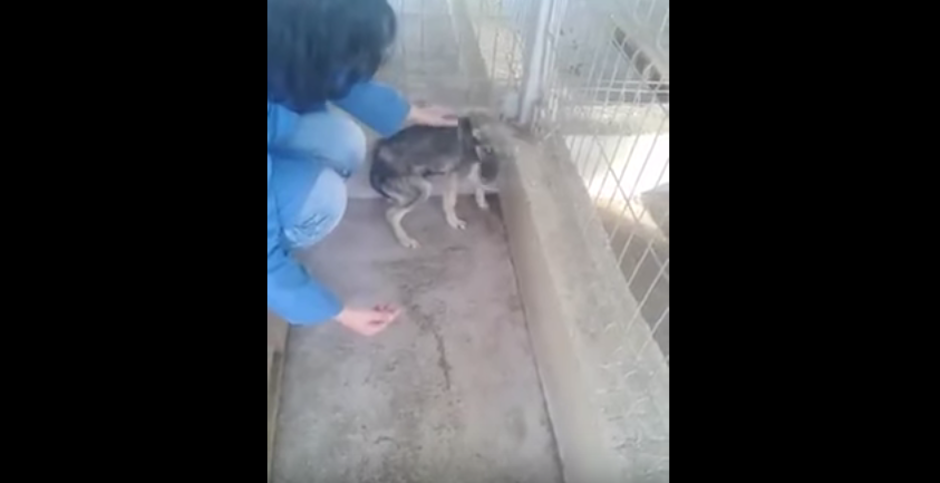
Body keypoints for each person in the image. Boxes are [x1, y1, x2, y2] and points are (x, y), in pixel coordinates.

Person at [267, 0, 456, 335]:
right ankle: (281, 259)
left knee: (345, 142)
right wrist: (335, 311)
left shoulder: (288, 25)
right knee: (323, 199)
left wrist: (410, 111)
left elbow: (328, 63)